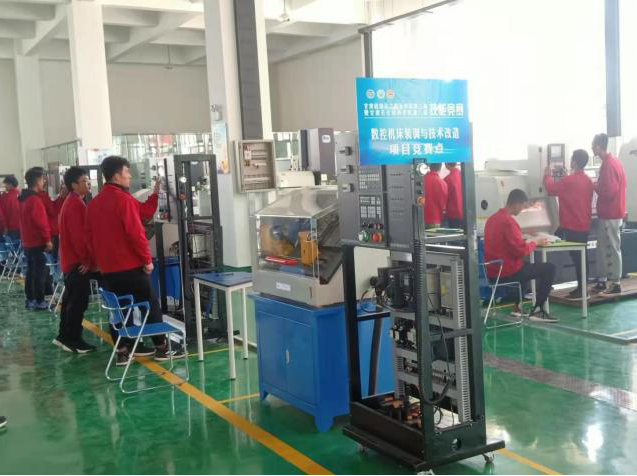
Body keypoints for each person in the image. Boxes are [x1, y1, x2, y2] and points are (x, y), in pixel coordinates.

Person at [86, 156, 184, 366]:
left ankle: (123, 351)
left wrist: (155, 194)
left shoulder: (94, 203)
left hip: (108, 271)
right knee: (150, 305)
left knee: (119, 309)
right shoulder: (123, 200)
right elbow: (136, 233)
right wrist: (147, 261)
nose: (130, 176)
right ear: (116, 176)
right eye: (127, 172)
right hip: (130, 268)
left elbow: (143, 212)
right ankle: (161, 348)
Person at [484, 189, 558, 323]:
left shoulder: (492, 219)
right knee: (549, 268)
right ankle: (538, 310)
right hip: (507, 272)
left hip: (493, 271)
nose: (522, 209)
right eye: (522, 206)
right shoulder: (509, 222)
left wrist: (523, 236)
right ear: (516, 203)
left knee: (524, 266)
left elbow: (506, 243)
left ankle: (517, 308)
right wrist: (535, 242)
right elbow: (521, 251)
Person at [54, 167, 97, 355]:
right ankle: (73, 340)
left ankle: (63, 336)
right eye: (84, 181)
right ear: (73, 185)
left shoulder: (72, 201)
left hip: (70, 261)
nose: (88, 184)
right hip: (76, 263)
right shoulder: (75, 204)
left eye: (88, 180)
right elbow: (79, 237)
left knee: (70, 301)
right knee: (78, 303)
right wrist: (86, 260)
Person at [544, 150, 595, 300]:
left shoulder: (569, 181)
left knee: (577, 258)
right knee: (582, 258)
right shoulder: (587, 180)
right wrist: (565, 177)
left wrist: (547, 175)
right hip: (584, 224)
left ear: (574, 162)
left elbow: (551, 189)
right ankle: (582, 288)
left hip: (572, 225)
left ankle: (582, 291)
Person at [591, 134, 627, 296]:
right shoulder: (613, 162)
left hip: (611, 214)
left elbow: (609, 191)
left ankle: (615, 283)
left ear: (599, 147)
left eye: (593, 145)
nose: (592, 148)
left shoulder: (609, 165)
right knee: (603, 247)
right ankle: (602, 281)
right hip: (610, 213)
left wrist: (595, 186)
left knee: (611, 247)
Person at [19, 168, 53, 311]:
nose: (44, 181)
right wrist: (47, 240)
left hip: (27, 242)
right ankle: (40, 300)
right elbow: (41, 222)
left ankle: (30, 299)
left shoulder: (23, 198)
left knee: (31, 272)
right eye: (43, 179)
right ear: (37, 181)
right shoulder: (34, 200)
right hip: (37, 242)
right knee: (40, 272)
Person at [424, 163, 448, 229]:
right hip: (435, 219)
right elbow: (443, 204)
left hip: (420, 218)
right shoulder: (443, 183)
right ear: (440, 168)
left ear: (429, 166)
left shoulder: (422, 180)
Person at [444, 163, 464, 229]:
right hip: (465, 213)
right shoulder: (464, 175)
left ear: (446, 164)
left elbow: (445, 199)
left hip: (453, 214)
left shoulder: (447, 179)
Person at [2, 176, 21, 240]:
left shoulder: (5, 197)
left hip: (10, 227)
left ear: (10, 184)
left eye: (6, 184)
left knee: (12, 245)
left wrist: (4, 227)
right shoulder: (21, 194)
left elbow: (3, 214)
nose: (5, 186)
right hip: (22, 226)